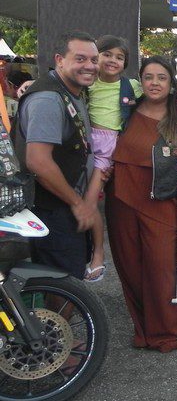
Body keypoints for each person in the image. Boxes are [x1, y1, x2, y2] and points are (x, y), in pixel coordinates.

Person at [106, 55, 177, 352]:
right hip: (121, 197)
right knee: (130, 267)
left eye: (161, 77)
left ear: (171, 83)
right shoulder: (125, 109)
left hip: (162, 201)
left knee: (162, 269)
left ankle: (166, 332)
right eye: (149, 77)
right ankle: (143, 330)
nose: (154, 83)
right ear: (141, 81)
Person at [14, 31, 99, 280]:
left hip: (62, 207)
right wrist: (77, 203)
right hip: (53, 209)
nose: (90, 66)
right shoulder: (48, 99)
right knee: (63, 285)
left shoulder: (69, 89)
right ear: (60, 60)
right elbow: (38, 161)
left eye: (94, 60)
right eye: (80, 59)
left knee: (66, 280)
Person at [83, 35, 142, 282]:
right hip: (86, 143)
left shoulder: (132, 86)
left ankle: (98, 254)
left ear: (125, 63)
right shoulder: (88, 82)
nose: (112, 60)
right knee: (79, 197)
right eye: (107, 54)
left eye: (119, 57)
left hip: (109, 148)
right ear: (96, 57)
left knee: (89, 202)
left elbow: (158, 97)